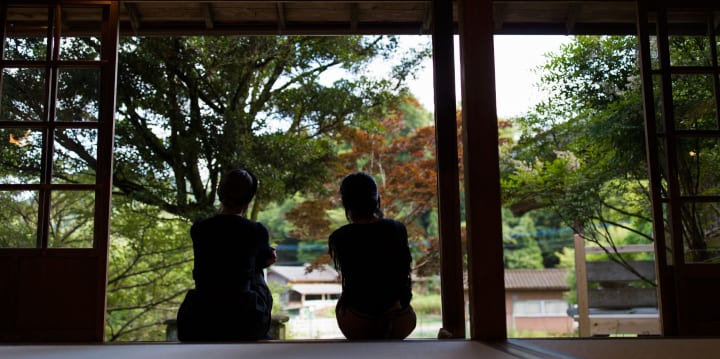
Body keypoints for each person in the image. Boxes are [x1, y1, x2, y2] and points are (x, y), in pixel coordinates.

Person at [177, 168, 277, 342]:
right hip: (245, 320)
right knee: (255, 273)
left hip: (199, 318)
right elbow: (259, 260)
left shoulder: (200, 229)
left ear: (219, 192)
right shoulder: (256, 231)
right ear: (249, 199)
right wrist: (266, 260)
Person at [328, 172, 416, 340]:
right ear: (376, 200)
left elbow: (352, 285)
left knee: (343, 305)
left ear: (347, 204)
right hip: (400, 320)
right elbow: (404, 277)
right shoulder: (397, 228)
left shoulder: (340, 237)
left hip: (358, 322)